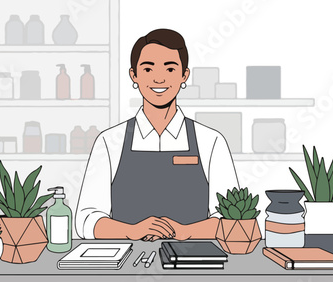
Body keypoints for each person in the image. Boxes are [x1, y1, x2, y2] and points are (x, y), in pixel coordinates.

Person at [75, 29, 239, 241]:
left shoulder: (211, 141)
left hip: (194, 263)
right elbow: (86, 219)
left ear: (184, 76)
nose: (159, 78)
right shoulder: (109, 142)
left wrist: (184, 232)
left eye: (170, 69)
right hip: (124, 266)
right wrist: (132, 231)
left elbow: (232, 219)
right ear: (134, 75)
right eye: (148, 69)